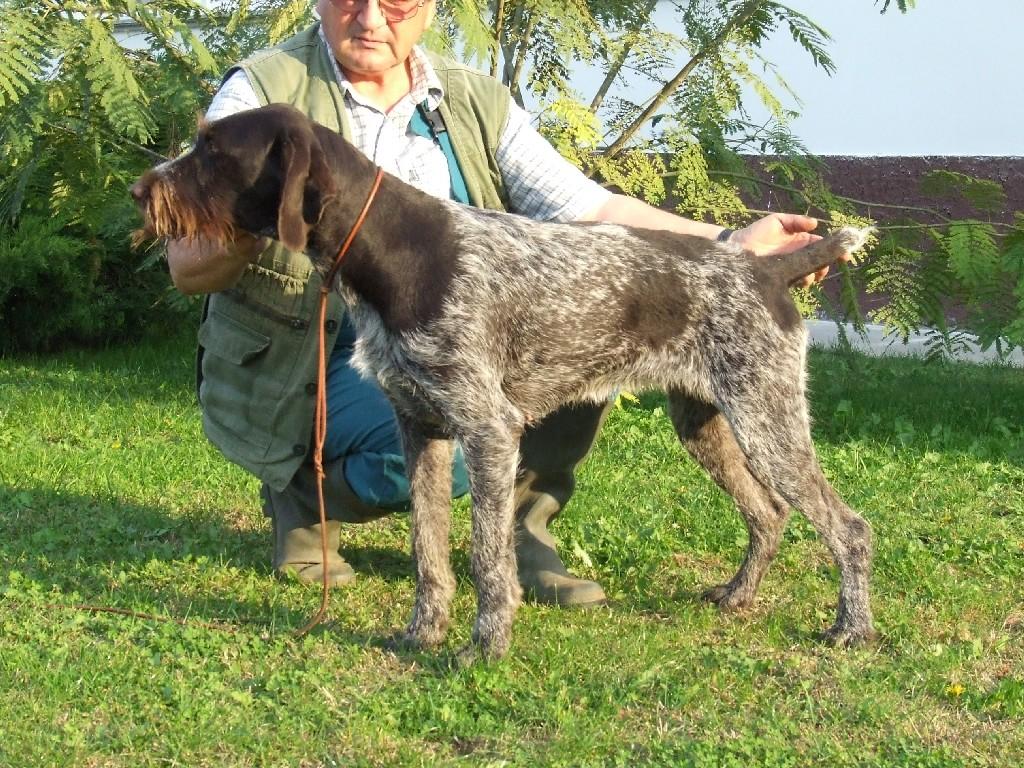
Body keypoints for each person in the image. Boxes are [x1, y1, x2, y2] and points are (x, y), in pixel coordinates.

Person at [167, 0, 832, 607]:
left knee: (579, 333)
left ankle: (526, 529)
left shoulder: (470, 99)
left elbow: (589, 208)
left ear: (429, 7)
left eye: (395, 0)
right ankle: (304, 496)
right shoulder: (264, 96)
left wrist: (731, 245)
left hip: (447, 336)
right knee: (448, 443)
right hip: (310, 357)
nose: (370, 18)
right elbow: (185, 264)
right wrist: (265, 215)